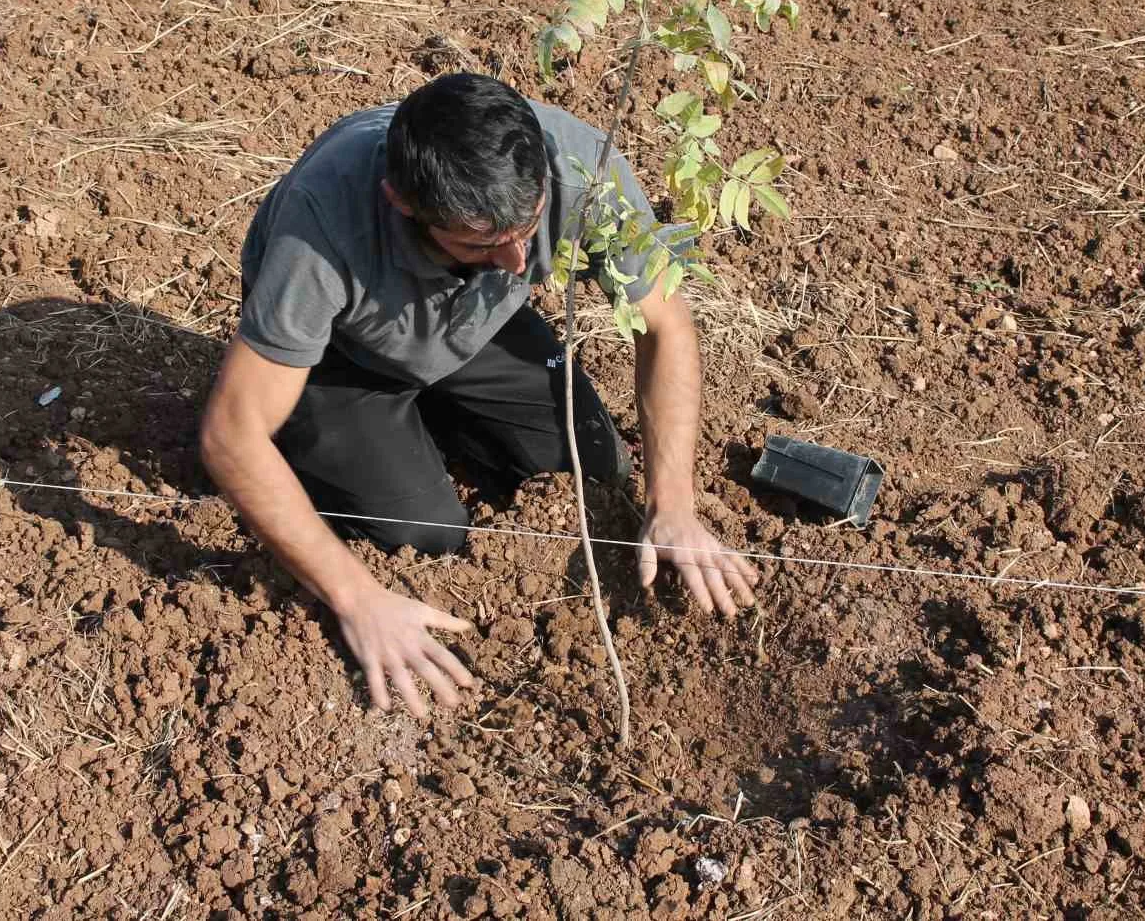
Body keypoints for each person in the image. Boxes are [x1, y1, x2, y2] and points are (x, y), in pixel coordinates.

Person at [200, 73, 756, 717]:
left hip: (476, 320)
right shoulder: (324, 223)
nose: (521, 262)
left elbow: (667, 323)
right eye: (483, 243)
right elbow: (230, 436)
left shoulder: (580, 166)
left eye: (529, 228)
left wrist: (676, 503)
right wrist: (358, 599)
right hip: (341, 356)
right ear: (403, 203)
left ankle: (439, 402)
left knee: (595, 473)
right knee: (425, 533)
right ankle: (354, 437)